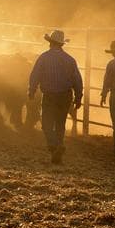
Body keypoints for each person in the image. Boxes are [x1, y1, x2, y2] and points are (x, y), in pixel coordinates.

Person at [28, 29, 83, 164]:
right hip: (65, 95)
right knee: (60, 123)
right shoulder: (70, 60)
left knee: (47, 124)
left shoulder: (43, 58)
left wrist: (32, 90)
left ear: (50, 43)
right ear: (62, 44)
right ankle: (59, 146)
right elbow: (77, 80)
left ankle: (53, 145)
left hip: (49, 95)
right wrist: (78, 97)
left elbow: (35, 75)